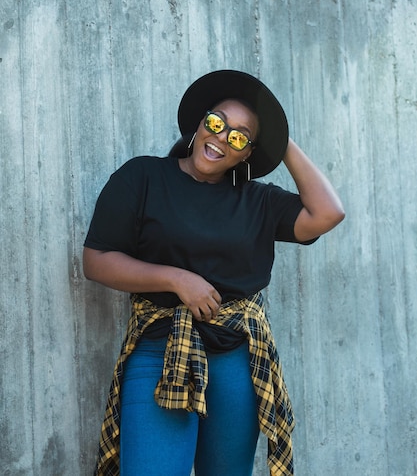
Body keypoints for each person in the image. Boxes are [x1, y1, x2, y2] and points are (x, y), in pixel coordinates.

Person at [83, 69, 345, 476]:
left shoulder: (258, 201)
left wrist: (279, 134)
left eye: (240, 137)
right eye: (217, 123)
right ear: (200, 123)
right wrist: (176, 279)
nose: (222, 139)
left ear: (248, 153)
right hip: (159, 351)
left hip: (235, 359)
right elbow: (97, 260)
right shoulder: (143, 177)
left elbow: (328, 213)